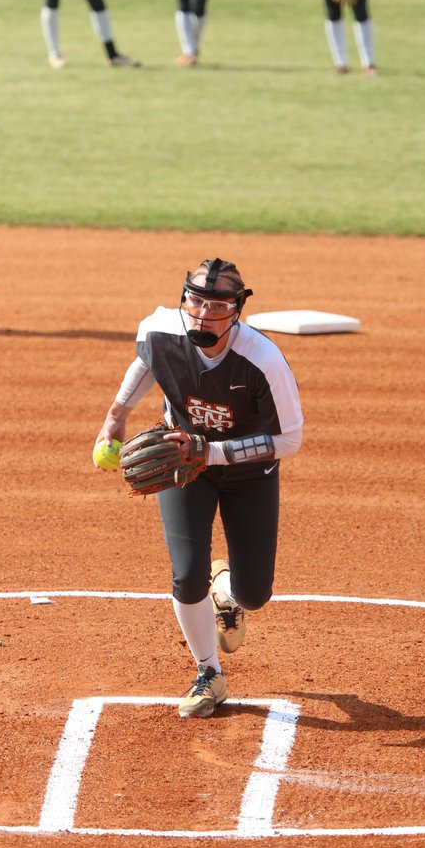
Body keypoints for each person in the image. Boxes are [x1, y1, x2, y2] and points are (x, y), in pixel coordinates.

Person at [95, 258, 303, 719]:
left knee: (256, 595)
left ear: (237, 310)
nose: (203, 315)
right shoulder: (161, 330)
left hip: (250, 474)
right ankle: (208, 672)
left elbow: (289, 439)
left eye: (217, 306)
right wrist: (116, 417)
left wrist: (209, 452)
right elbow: (147, 362)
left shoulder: (262, 360)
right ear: (183, 299)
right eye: (196, 302)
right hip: (181, 465)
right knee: (186, 573)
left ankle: (227, 592)